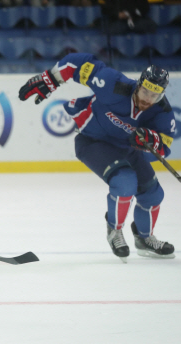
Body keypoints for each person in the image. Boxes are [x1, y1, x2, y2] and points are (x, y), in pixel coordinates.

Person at [18, 53, 175, 261]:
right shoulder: (113, 84)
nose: (147, 99)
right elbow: (78, 63)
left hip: (128, 149)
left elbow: (164, 147)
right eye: (145, 91)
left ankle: (145, 238)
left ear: (161, 95)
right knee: (124, 182)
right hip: (93, 142)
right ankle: (114, 231)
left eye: (154, 96)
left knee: (153, 194)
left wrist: (151, 139)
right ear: (138, 85)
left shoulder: (162, 112)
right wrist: (51, 78)